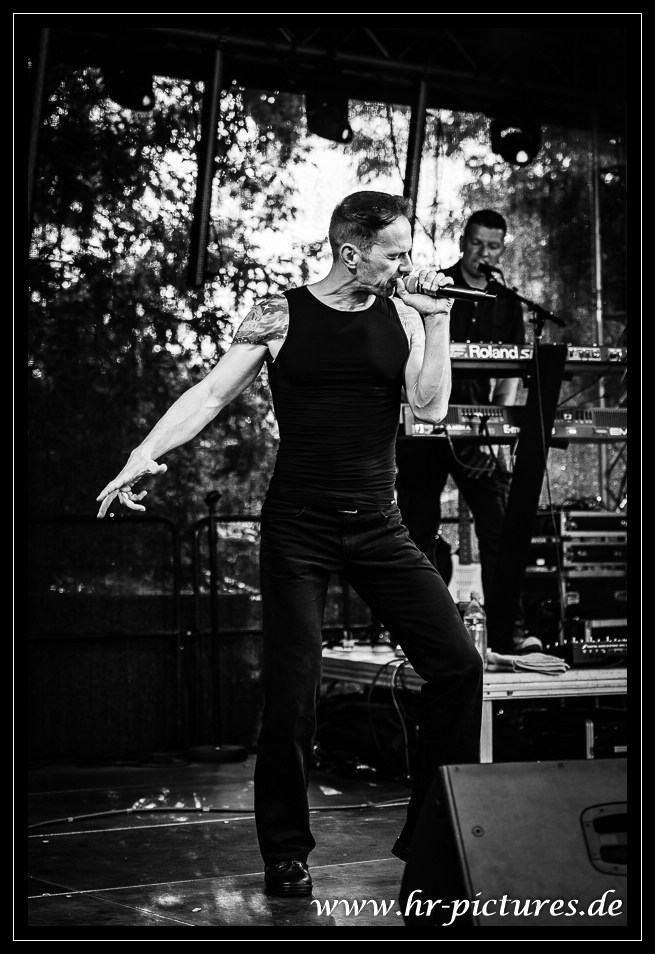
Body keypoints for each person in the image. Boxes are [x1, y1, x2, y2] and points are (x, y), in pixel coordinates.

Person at [96, 191, 483, 898]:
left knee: (458, 666)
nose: (406, 265)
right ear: (351, 252)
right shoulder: (279, 313)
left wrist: (438, 320)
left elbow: (429, 409)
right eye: (394, 253)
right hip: (298, 528)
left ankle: (430, 835)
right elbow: (210, 394)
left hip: (379, 524)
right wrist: (143, 453)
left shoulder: (403, 313)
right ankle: (284, 852)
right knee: (292, 696)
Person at [395, 209, 543, 655]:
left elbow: (512, 372)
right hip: (426, 424)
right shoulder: (439, 286)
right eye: (477, 243)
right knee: (417, 526)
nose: (484, 252)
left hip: (477, 434)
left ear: (502, 249)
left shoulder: (507, 301)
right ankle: (418, 634)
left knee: (499, 526)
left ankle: (507, 631)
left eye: (493, 246)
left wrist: (499, 431)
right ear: (463, 242)